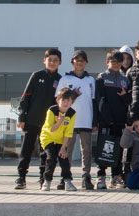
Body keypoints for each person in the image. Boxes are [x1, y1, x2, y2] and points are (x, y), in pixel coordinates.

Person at [15, 48, 62, 190]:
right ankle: (21, 177)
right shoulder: (37, 76)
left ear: (59, 62)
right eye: (50, 60)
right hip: (31, 120)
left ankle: (43, 179)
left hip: (48, 124)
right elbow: (26, 97)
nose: (52, 62)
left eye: (55, 60)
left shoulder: (60, 80)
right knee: (26, 151)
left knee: (46, 153)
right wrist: (22, 116)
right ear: (44, 60)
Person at [57, 50, 97, 190]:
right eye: (76, 59)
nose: (79, 62)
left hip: (86, 119)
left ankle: (86, 177)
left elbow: (94, 101)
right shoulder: (65, 79)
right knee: (66, 150)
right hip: (69, 120)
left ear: (86, 62)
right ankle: (65, 177)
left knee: (86, 150)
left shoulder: (91, 80)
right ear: (72, 62)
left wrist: (94, 121)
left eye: (82, 60)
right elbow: (59, 100)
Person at [95, 49, 130, 189]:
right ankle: (101, 176)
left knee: (118, 149)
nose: (116, 65)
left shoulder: (125, 79)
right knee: (104, 148)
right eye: (113, 62)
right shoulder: (102, 77)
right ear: (107, 62)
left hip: (120, 121)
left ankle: (115, 176)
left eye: (119, 62)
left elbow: (128, 101)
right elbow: (100, 100)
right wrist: (108, 119)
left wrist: (125, 97)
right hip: (106, 121)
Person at [39, 88, 78, 191]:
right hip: (48, 138)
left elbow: (68, 133)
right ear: (58, 100)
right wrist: (60, 121)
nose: (66, 103)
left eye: (68, 100)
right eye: (63, 100)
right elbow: (51, 129)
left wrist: (63, 148)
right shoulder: (52, 110)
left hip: (61, 140)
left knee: (64, 158)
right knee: (51, 158)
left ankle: (68, 181)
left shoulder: (72, 113)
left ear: (72, 102)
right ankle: (46, 182)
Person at [120, 115, 139, 190]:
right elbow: (124, 144)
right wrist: (127, 132)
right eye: (136, 126)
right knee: (131, 185)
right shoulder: (133, 135)